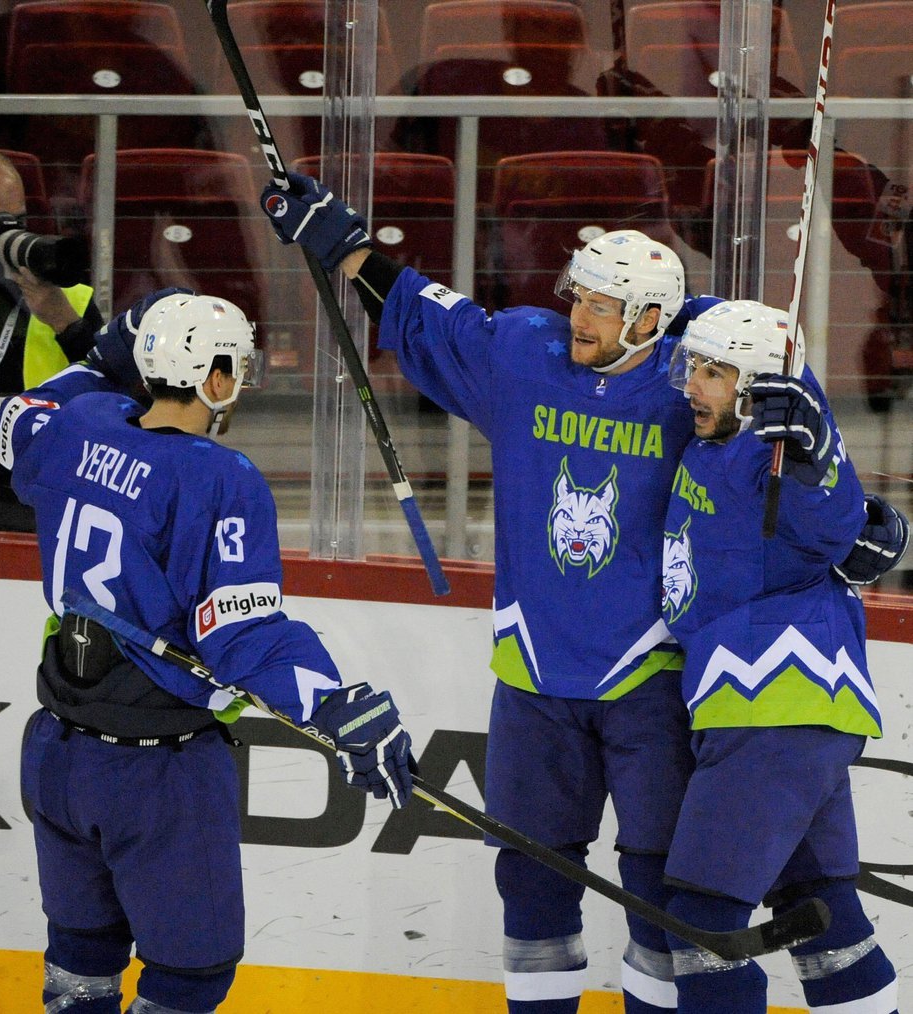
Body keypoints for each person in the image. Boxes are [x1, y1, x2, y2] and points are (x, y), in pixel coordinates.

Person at [259, 175, 908, 1014]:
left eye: (604, 307)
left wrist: (852, 505)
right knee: (531, 887)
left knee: (664, 901)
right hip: (533, 675)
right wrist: (342, 246)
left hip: (656, 678)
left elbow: (786, 411)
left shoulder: (697, 382)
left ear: (650, 321)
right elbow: (430, 315)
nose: (580, 317)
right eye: (579, 297)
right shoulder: (526, 355)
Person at [0, 289, 414, 1014]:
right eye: (235, 371)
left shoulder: (75, 425)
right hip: (157, 775)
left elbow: (25, 410)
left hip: (57, 755)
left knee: (81, 957)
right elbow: (240, 635)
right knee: (190, 977)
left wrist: (113, 346)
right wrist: (332, 703)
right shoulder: (220, 478)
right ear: (217, 380)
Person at [660, 300, 902, 1013]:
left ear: (754, 384)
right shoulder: (712, 439)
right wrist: (686, 308)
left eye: (713, 372)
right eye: (693, 367)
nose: (693, 385)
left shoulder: (778, 450)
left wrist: (816, 454)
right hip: (794, 712)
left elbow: (833, 516)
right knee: (823, 916)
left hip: (770, 702)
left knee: (702, 926)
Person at [0, 147, 103, 530]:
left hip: (38, 500)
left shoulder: (71, 298)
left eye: (14, 220)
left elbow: (121, 397)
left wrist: (65, 321)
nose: (6, 236)